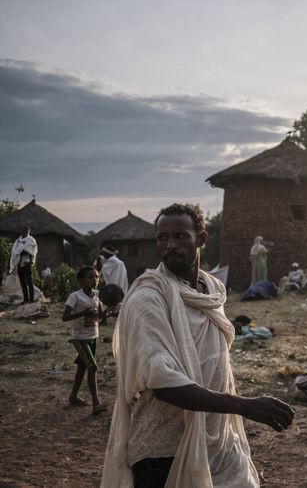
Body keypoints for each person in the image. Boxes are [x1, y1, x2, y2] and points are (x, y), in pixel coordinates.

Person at [101, 203, 294, 488]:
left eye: (180, 236)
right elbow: (162, 381)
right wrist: (244, 406)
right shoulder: (149, 298)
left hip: (216, 439)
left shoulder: (212, 291)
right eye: (163, 238)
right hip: (163, 450)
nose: (170, 245)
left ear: (201, 239)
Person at [62, 265, 107, 415]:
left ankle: (73, 397)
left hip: (93, 336)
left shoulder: (98, 295)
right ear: (81, 280)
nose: (94, 280)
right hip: (80, 338)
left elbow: (100, 316)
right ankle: (96, 404)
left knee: (82, 368)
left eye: (96, 277)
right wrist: (83, 312)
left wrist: (109, 312)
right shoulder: (75, 296)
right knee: (92, 367)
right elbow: (65, 317)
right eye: (90, 277)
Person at [9, 225, 38, 303]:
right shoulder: (18, 240)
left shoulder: (31, 240)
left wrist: (30, 261)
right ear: (22, 231)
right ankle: (26, 299)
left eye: (26, 231)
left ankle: (31, 299)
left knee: (29, 282)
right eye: (24, 231)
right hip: (19, 264)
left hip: (27, 263)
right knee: (22, 282)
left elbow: (33, 251)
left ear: (29, 231)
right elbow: (15, 250)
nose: (25, 232)